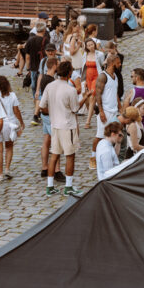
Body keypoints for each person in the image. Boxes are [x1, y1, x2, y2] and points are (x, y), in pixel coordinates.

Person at [39, 59, 82, 197]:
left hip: (54, 125)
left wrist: (52, 112)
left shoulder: (50, 86)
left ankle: (50, 186)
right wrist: (85, 97)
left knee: (54, 156)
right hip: (67, 126)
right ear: (69, 73)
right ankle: (68, 186)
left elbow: (42, 106)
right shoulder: (70, 90)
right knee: (70, 156)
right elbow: (75, 109)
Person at [38, 54, 65, 184]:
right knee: (56, 142)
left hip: (45, 114)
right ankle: (56, 170)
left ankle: (44, 167)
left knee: (46, 140)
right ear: (54, 65)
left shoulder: (44, 78)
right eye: (58, 65)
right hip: (50, 114)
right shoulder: (51, 82)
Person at [91, 53, 121, 171]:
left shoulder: (115, 76)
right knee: (100, 136)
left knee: (111, 134)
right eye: (118, 63)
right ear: (112, 63)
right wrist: (101, 111)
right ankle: (93, 158)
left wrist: (120, 106)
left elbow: (115, 93)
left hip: (113, 110)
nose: (120, 64)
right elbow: (98, 94)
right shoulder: (103, 76)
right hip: (106, 110)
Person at [0, 74, 24, 181]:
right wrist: (21, 123)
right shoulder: (12, 96)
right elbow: (16, 111)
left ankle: (0, 174)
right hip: (10, 124)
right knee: (9, 147)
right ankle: (7, 169)